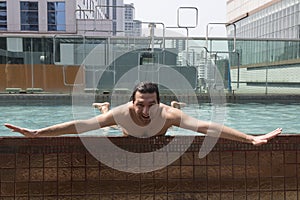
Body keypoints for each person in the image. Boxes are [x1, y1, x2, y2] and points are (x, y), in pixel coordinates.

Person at [4, 82, 282, 145]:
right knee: (104, 125)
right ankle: (103, 106)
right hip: (122, 129)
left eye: (151, 103)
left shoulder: (165, 115)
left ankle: (175, 107)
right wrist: (38, 132)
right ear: (132, 102)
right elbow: (81, 125)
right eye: (140, 104)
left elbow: (207, 127)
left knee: (175, 121)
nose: (145, 109)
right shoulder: (123, 113)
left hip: (165, 124)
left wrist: (250, 138)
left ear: (158, 102)